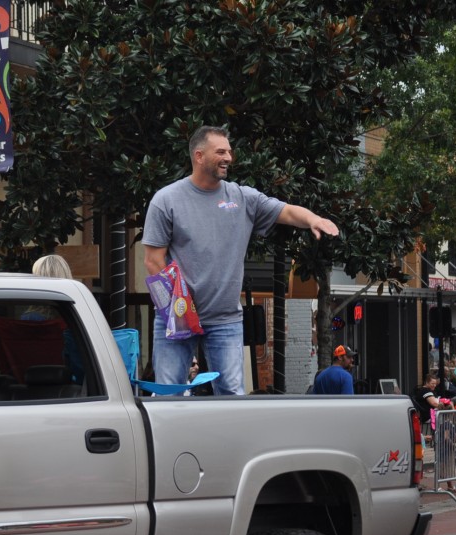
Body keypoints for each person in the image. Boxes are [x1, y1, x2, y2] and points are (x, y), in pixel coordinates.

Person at [142, 125, 339, 395]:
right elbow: (153, 261)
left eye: (230, 152)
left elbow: (287, 211)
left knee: (232, 397)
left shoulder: (242, 197)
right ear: (199, 156)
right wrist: (182, 312)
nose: (228, 158)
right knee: (168, 394)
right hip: (176, 319)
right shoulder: (166, 200)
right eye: (220, 151)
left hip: (225, 319)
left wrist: (314, 220)